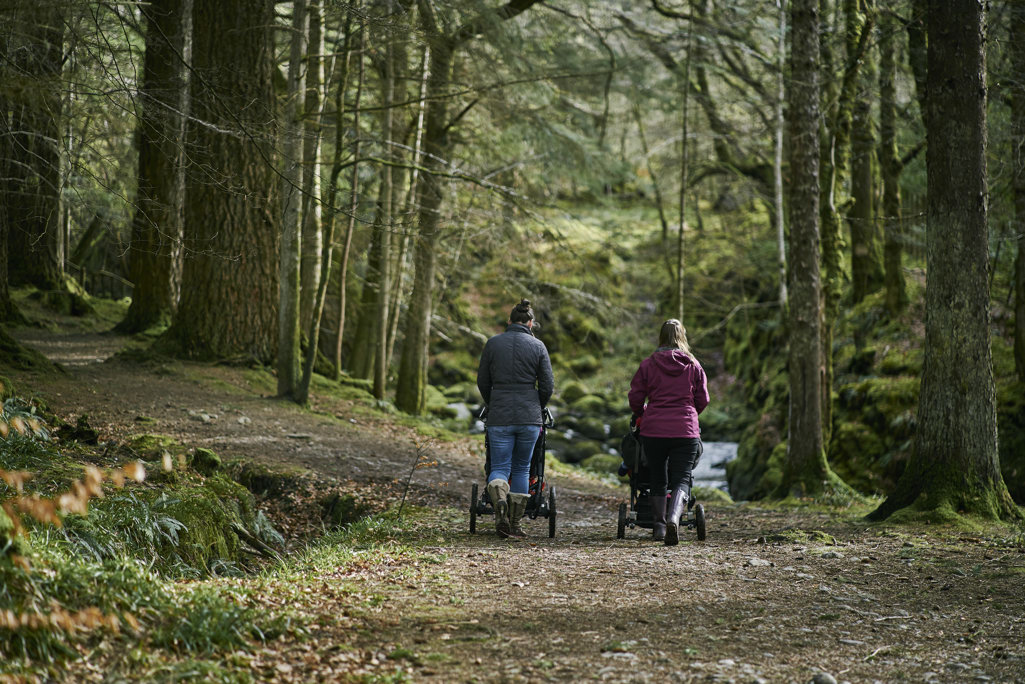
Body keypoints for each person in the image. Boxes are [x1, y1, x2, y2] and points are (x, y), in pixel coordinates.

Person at [476, 299, 554, 539]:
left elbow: (482, 381)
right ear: (531, 323)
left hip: (499, 415)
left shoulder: (492, 344)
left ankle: (499, 497)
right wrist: (536, 406)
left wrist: (493, 402)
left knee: (499, 466)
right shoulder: (538, 346)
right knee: (522, 468)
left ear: (509, 321)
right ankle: (515, 523)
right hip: (529, 417)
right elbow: (547, 385)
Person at [628, 319, 709, 545]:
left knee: (657, 477)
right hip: (685, 430)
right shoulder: (693, 365)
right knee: (682, 477)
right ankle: (675, 518)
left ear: (661, 337)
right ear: (682, 336)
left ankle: (660, 527)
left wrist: (640, 412)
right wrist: (690, 414)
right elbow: (703, 399)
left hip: (654, 430)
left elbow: (635, 397)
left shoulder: (648, 364)